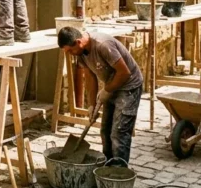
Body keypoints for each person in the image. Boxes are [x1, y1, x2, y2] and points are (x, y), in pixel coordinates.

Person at [57, 27, 143, 164]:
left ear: (78, 42)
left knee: (119, 132)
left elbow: (124, 73)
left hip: (129, 86)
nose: (70, 54)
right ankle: (108, 166)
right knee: (105, 131)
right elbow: (90, 77)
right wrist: (91, 105)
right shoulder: (80, 52)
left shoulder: (103, 45)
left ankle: (118, 173)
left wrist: (106, 91)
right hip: (112, 83)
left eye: (70, 50)